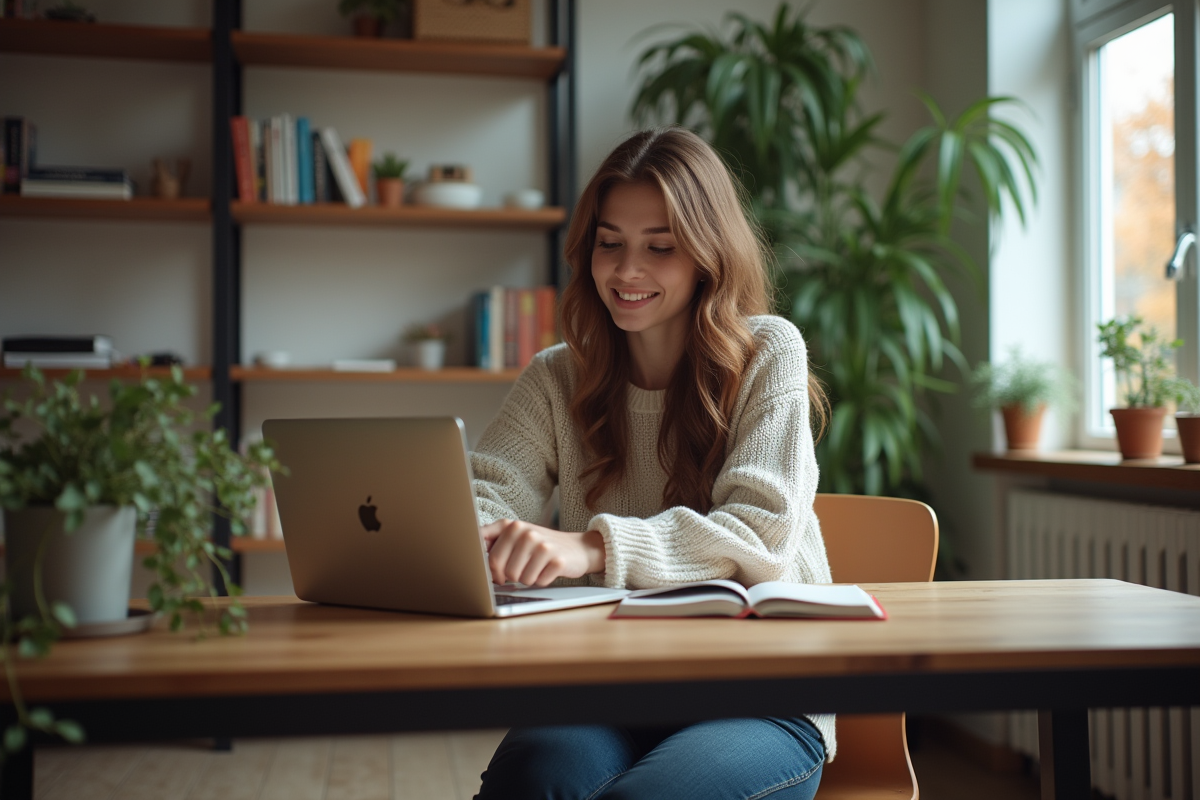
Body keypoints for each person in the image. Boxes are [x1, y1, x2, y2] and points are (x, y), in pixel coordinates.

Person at [470, 127, 833, 800]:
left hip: (760, 693)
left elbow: (757, 535)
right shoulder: (556, 378)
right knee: (532, 780)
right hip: (607, 684)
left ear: (706, 256)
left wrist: (587, 547)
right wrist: (481, 537)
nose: (626, 270)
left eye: (659, 247)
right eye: (610, 243)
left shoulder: (769, 354)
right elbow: (484, 495)